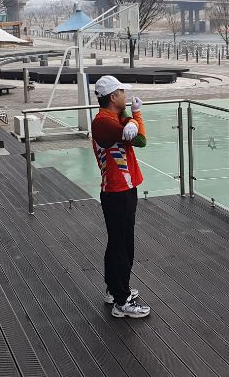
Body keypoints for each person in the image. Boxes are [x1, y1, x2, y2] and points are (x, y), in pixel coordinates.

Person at [91, 75, 151, 318]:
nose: (126, 96)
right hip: (118, 191)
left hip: (120, 189)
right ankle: (122, 301)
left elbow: (131, 130)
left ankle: (114, 289)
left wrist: (132, 117)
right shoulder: (104, 122)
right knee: (123, 245)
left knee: (117, 242)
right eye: (122, 93)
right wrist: (136, 116)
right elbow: (141, 140)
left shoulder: (111, 118)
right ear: (113, 96)